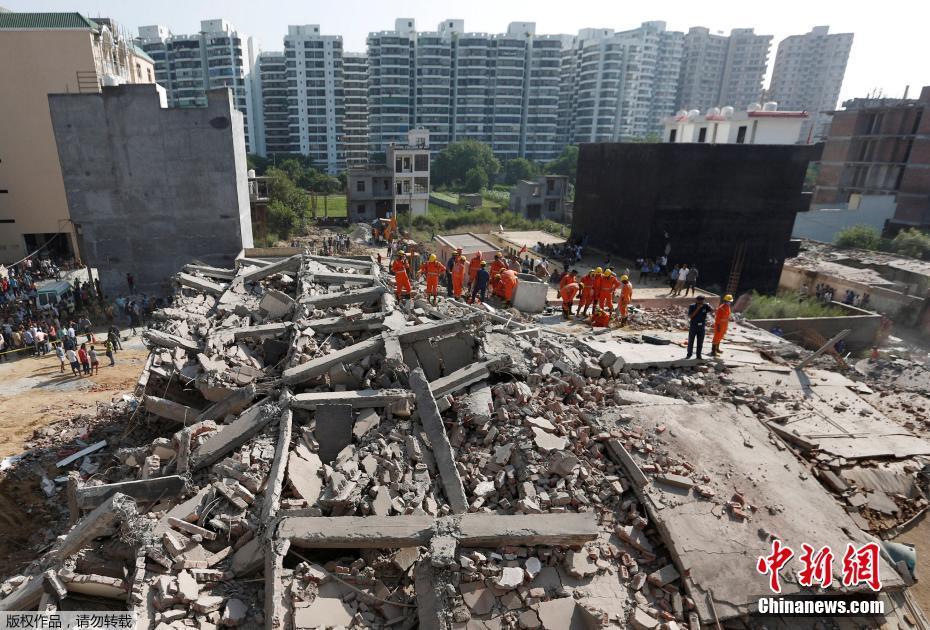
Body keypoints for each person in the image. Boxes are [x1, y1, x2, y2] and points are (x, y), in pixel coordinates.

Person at [686, 296, 713, 360]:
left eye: (702, 300)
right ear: (696, 300)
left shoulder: (705, 306)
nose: (700, 302)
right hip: (693, 326)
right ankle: (689, 354)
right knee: (691, 341)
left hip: (701, 327)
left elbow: (712, 310)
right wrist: (698, 308)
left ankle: (698, 355)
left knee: (700, 342)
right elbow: (691, 316)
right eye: (699, 300)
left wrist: (708, 305)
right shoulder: (692, 306)